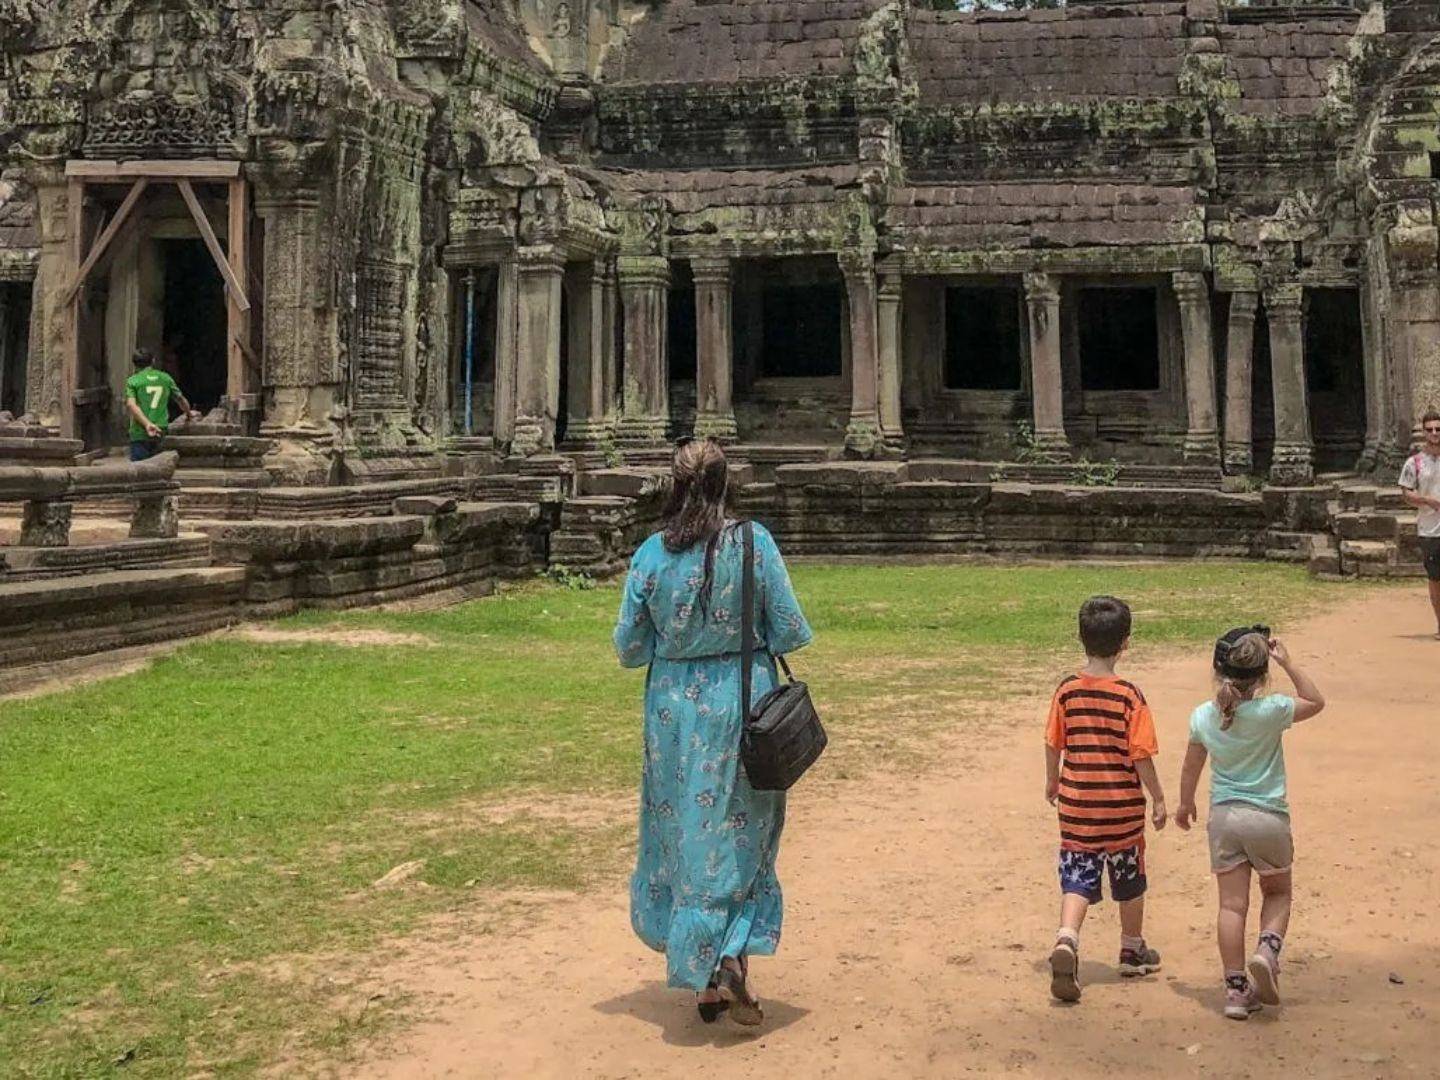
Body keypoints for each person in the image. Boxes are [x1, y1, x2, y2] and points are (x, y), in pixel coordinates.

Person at [613, 437, 813, 1028]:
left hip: (673, 714)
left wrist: (678, 640)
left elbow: (628, 647)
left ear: (675, 488)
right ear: (728, 485)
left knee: (683, 837)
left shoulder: (651, 555)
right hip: (743, 705)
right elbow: (790, 628)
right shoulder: (753, 544)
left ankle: (705, 977)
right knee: (745, 836)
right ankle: (728, 955)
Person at [1175, 628, 1325, 1021]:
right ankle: (1267, 950)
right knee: (1277, 893)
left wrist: (1184, 803)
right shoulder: (1272, 710)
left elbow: (1191, 766)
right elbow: (1315, 700)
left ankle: (1236, 990)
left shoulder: (1203, 717)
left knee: (1231, 905)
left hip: (1224, 818)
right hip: (1268, 818)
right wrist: (1288, 661)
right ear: (1262, 677)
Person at [1044, 595, 1167, 1003]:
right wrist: (1159, 797)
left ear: (1080, 638)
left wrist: (1051, 783)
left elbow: (1053, 743)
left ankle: (1067, 938)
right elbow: (1141, 754)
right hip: (1123, 809)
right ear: (1125, 643)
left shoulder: (1066, 692)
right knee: (1129, 880)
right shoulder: (1130, 697)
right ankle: (1132, 947)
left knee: (1077, 878)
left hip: (1077, 806)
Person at [1398, 408, 1440, 639]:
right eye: (1430, 430)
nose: (1435, 433)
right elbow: (1406, 493)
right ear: (1424, 433)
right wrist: (1427, 501)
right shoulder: (1414, 463)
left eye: (1438, 429)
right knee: (1435, 580)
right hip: (1430, 529)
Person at [124, 348, 198, 462]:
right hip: (160, 430)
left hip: (139, 432)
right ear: (153, 361)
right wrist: (188, 413)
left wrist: (147, 424)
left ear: (134, 364)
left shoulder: (133, 381)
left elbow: (131, 405)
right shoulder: (165, 378)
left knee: (139, 471)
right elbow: (180, 399)